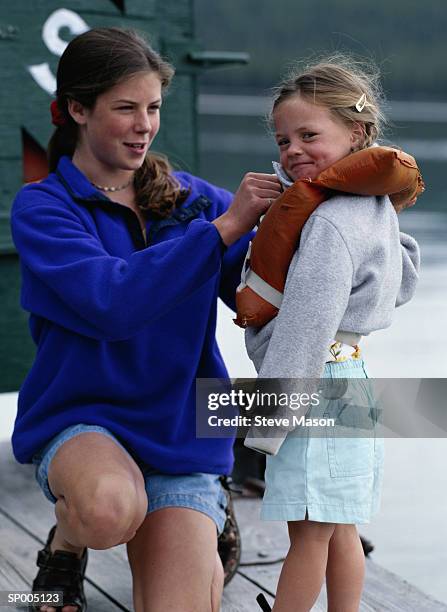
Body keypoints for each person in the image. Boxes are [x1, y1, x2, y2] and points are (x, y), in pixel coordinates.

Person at [10, 27, 282, 612]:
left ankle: (212, 509)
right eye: (126, 108)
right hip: (84, 420)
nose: (144, 125)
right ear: (76, 110)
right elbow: (113, 304)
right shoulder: (42, 209)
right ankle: (62, 552)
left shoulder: (195, 202)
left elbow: (267, 298)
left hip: (183, 431)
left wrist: (345, 219)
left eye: (153, 108)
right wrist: (225, 230)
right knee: (109, 509)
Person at [244, 56, 420, 611]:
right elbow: (403, 282)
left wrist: (268, 419)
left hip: (314, 387)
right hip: (354, 380)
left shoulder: (326, 222)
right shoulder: (374, 206)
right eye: (283, 138)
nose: (292, 149)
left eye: (308, 135)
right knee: (341, 524)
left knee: (307, 533)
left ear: (358, 133)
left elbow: (305, 326)